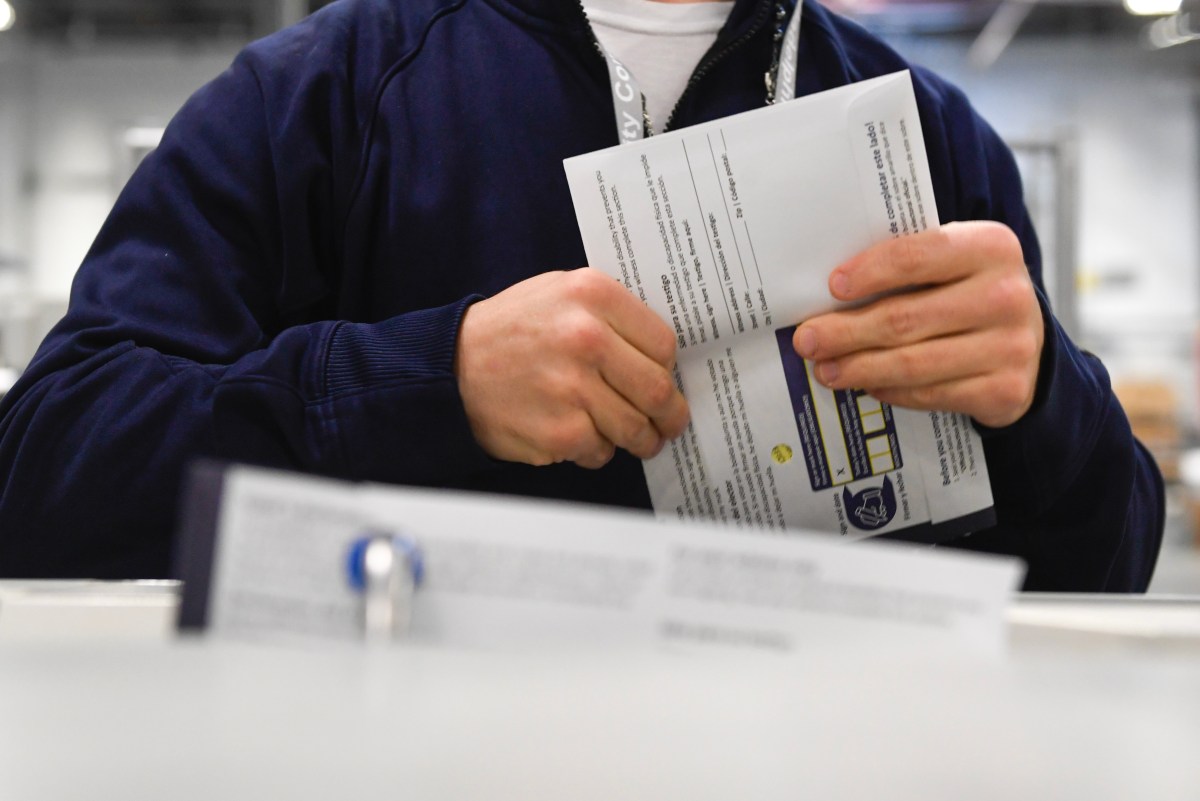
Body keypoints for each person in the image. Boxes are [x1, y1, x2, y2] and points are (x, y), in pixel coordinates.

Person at [0, 0, 1163, 590]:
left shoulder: (927, 133)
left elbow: (1104, 571)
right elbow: (44, 480)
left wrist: (1042, 407)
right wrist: (430, 382)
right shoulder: (320, 96)